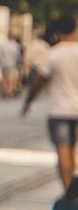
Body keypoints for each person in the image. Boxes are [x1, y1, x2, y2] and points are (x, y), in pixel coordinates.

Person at [22, 14, 78, 191]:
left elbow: (40, 80)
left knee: (62, 150)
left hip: (59, 110)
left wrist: (28, 102)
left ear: (57, 32)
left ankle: (67, 189)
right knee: (72, 150)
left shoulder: (53, 54)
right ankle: (72, 189)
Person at [0, 34, 24, 98]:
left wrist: (0, 64)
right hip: (12, 64)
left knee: (5, 78)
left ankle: (5, 90)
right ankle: (9, 91)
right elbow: (18, 56)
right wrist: (19, 63)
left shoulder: (3, 45)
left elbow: (0, 56)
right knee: (11, 78)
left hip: (4, 63)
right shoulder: (16, 45)